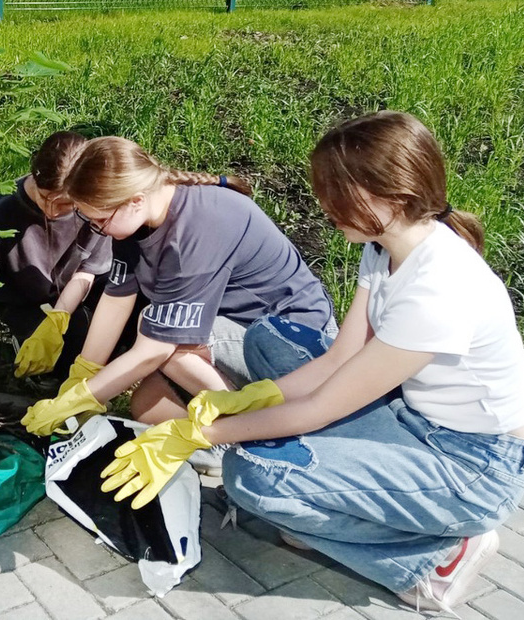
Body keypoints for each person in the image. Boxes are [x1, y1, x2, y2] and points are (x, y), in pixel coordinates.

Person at [99, 112, 524, 615]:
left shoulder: (439, 288)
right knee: (273, 337)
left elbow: (322, 407)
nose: (324, 206)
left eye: (337, 194)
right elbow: (341, 356)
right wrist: (249, 397)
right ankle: (332, 502)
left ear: (392, 195)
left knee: (254, 476)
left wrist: (198, 435)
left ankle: (436, 559)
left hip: (473, 469)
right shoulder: (385, 250)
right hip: (417, 425)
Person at [21, 136, 334, 476]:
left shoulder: (196, 231)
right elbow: (116, 298)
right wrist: (83, 374)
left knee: (152, 327)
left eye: (99, 220)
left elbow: (157, 347)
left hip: (297, 348)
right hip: (233, 333)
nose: (96, 229)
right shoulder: (139, 222)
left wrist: (81, 399)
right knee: (147, 408)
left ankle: (260, 435)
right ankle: (220, 444)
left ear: (135, 200)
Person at [0, 132, 137, 400]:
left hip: (75, 289)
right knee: (66, 352)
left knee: (119, 328)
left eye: (67, 204)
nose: (53, 211)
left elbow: (87, 270)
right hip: (25, 301)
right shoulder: (5, 210)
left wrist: (58, 321)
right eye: (46, 198)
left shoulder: (92, 206)